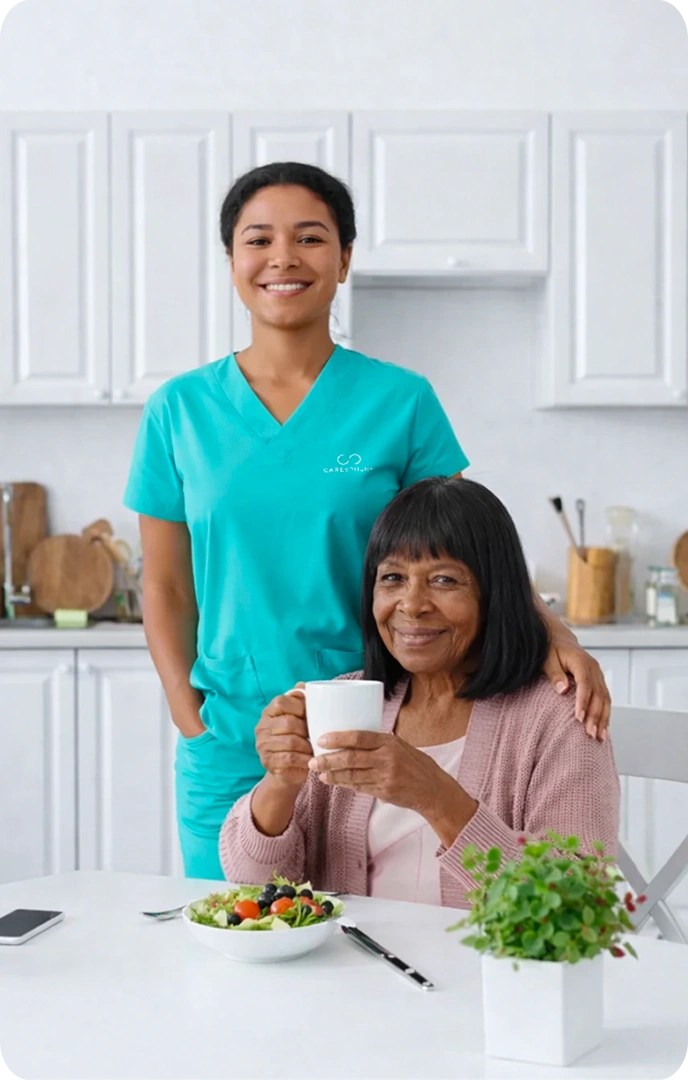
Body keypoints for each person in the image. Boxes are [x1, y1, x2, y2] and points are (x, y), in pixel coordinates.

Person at [124, 161, 611, 880]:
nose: (283, 258)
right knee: (242, 937)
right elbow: (163, 587)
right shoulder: (179, 411)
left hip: (381, 721)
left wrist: (554, 633)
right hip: (234, 736)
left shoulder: (400, 401)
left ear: (345, 258)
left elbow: (470, 550)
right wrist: (189, 714)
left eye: (311, 238)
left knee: (385, 933)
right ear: (231, 260)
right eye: (258, 239)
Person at [220, 478, 620, 906]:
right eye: (392, 577)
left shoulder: (561, 718)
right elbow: (249, 883)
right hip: (345, 969)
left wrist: (438, 798)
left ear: (495, 594)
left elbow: (580, 903)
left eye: (445, 580)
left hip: (481, 972)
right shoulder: (340, 702)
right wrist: (281, 779)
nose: (412, 604)